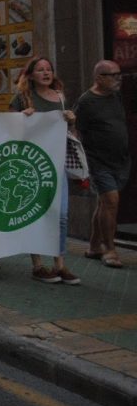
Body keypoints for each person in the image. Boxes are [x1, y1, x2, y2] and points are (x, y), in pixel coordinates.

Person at [9, 57, 80, 283]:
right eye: (40, 70)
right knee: (37, 214)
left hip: (57, 162)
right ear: (30, 75)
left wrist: (71, 121)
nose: (46, 73)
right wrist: (22, 119)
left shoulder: (60, 98)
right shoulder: (22, 98)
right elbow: (7, 130)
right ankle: (38, 264)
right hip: (33, 165)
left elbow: (70, 133)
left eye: (49, 69)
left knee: (61, 214)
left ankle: (60, 264)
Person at [75, 60, 130, 269]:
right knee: (111, 201)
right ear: (99, 78)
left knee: (104, 203)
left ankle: (94, 246)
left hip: (120, 160)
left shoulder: (116, 96)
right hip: (98, 161)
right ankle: (110, 249)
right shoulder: (86, 101)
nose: (118, 79)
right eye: (112, 75)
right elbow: (75, 130)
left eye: (119, 74)